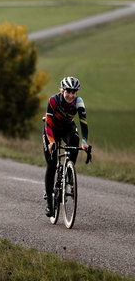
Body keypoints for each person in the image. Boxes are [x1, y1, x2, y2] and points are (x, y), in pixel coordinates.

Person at [42, 76, 89, 217]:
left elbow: (83, 123)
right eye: (68, 91)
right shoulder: (53, 100)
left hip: (67, 128)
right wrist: (51, 141)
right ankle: (49, 202)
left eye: (74, 92)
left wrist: (85, 141)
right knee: (51, 163)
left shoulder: (79, 102)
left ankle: (69, 173)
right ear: (62, 90)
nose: (71, 95)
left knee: (74, 141)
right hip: (51, 130)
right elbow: (48, 124)